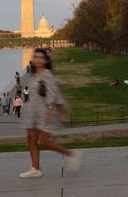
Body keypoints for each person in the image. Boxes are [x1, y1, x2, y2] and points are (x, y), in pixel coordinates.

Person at [20, 48, 82, 178]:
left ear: (46, 60)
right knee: (31, 139)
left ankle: (71, 155)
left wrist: (49, 109)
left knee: (45, 141)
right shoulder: (33, 73)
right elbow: (52, 84)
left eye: (41, 57)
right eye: (35, 57)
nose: (38, 59)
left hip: (44, 110)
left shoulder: (46, 73)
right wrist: (60, 82)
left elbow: (52, 93)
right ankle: (35, 168)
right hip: (32, 111)